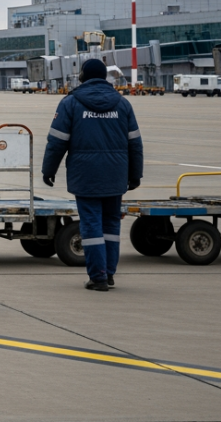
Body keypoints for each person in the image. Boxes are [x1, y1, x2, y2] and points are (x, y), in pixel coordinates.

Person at [41, 59, 143, 291]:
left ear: (83, 76)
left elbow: (56, 142)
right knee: (111, 225)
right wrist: (135, 174)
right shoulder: (122, 104)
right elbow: (135, 144)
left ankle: (98, 276)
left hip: (85, 175)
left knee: (91, 225)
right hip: (115, 175)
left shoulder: (71, 103)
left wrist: (49, 170)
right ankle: (108, 273)